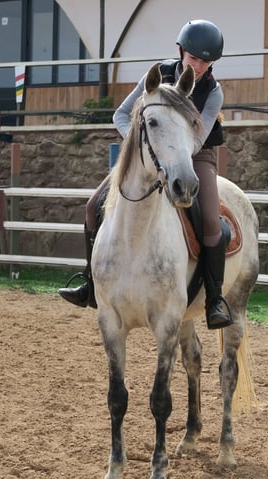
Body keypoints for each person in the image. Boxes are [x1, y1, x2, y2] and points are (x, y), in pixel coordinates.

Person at [58, 19, 233, 329]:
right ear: (180, 51)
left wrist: (171, 156)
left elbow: (196, 139)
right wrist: (141, 144)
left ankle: (215, 299)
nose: (200, 66)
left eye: (206, 61)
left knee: (209, 221)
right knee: (92, 206)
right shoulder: (157, 74)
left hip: (195, 156)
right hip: (146, 153)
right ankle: (90, 284)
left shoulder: (213, 92)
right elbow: (121, 115)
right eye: (194, 58)